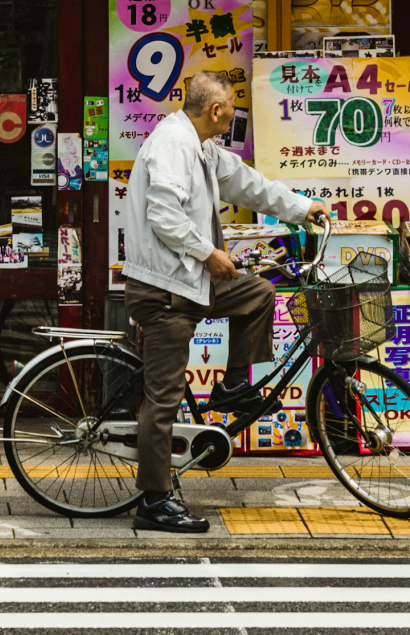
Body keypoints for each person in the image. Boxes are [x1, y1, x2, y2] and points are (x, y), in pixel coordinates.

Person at [123, 71, 326, 533]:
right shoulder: (173, 144)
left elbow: (248, 184)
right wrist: (208, 253)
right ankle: (153, 501)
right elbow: (163, 214)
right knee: (163, 397)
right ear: (216, 111)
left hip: (191, 281)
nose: (234, 115)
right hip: (165, 289)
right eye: (232, 108)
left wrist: (302, 207)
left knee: (258, 293)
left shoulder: (203, 148)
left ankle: (233, 387)